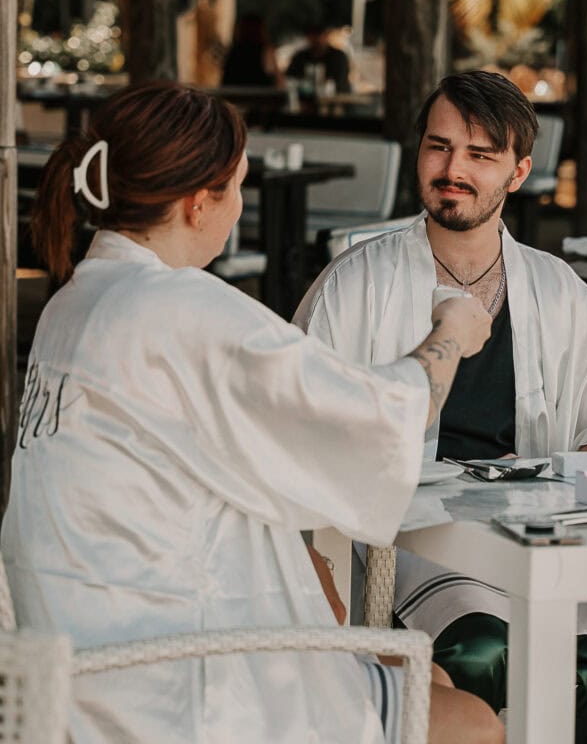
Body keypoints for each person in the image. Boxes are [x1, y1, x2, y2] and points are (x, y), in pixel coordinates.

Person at [1, 82, 503, 744]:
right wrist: (453, 332)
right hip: (172, 690)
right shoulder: (177, 309)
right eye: (238, 187)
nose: (238, 208)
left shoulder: (76, 303)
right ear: (198, 202)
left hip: (75, 672)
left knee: (427, 679)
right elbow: (370, 424)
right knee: (474, 723)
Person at [294, 70, 587, 744]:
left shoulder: (557, 289)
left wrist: (578, 465)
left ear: (518, 171)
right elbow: (306, 429)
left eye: (480, 155)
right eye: (438, 147)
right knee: (481, 646)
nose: (452, 170)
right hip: (412, 535)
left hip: (539, 528)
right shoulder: (355, 284)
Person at [222, 13, 285, 88]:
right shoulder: (266, 52)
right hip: (262, 97)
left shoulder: (234, 51)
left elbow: (225, 81)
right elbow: (279, 82)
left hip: (236, 97)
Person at [286, 25, 352, 93]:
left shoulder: (338, 56)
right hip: (306, 98)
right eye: (312, 36)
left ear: (326, 36)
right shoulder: (300, 57)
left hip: (336, 98)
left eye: (319, 35)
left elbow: (341, 82)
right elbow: (290, 78)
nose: (317, 39)